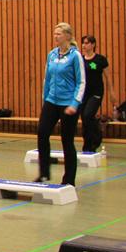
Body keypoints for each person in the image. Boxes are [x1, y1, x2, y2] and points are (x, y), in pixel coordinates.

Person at [35, 23, 86, 185]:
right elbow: (47, 79)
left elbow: (81, 82)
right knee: (42, 133)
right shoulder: (51, 55)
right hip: (51, 101)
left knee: (67, 140)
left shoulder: (75, 56)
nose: (55, 36)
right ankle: (44, 173)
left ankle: (69, 179)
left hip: (68, 104)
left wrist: (75, 103)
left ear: (68, 36)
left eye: (59, 34)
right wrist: (45, 99)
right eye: (54, 33)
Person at [79, 35, 112, 153]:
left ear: (93, 44)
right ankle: (87, 145)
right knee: (84, 119)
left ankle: (97, 137)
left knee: (88, 115)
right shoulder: (80, 59)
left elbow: (108, 77)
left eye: (87, 43)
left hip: (96, 93)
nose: (84, 45)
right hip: (83, 93)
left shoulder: (100, 59)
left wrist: (112, 93)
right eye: (83, 43)